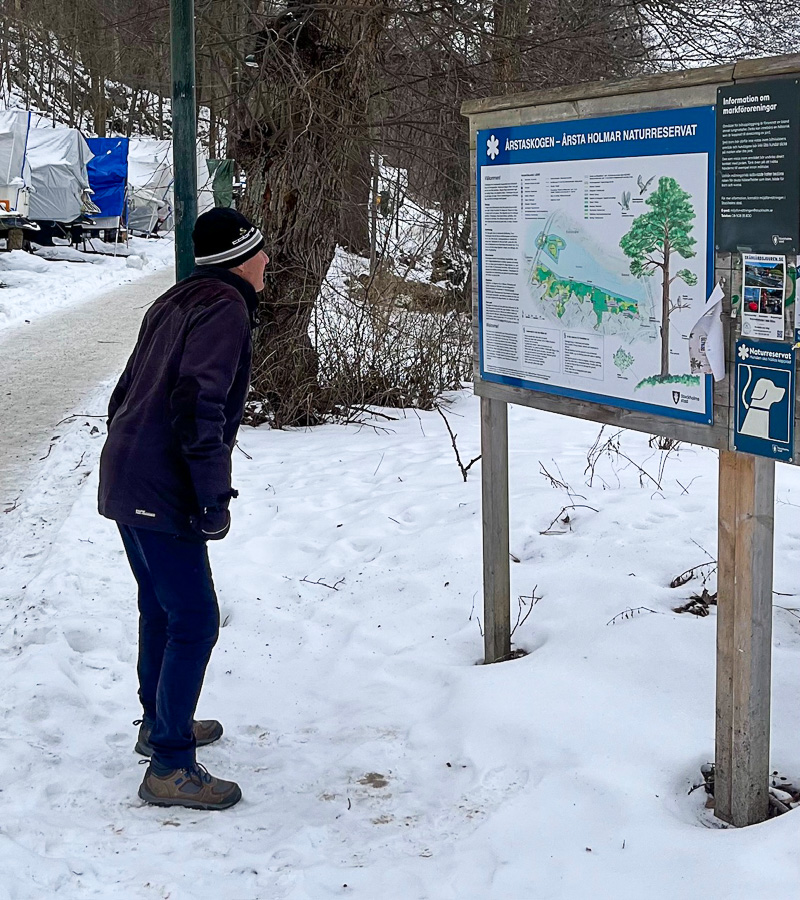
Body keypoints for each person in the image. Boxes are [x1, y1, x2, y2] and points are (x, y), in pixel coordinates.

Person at [98, 208, 269, 810]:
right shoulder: (225, 307)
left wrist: (129, 450)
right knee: (194, 619)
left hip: (129, 472)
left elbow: (124, 389)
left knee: (162, 607)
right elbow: (200, 401)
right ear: (240, 259)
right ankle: (170, 765)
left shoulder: (176, 298)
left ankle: (159, 723)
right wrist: (211, 495)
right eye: (259, 250)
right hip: (161, 483)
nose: (267, 260)